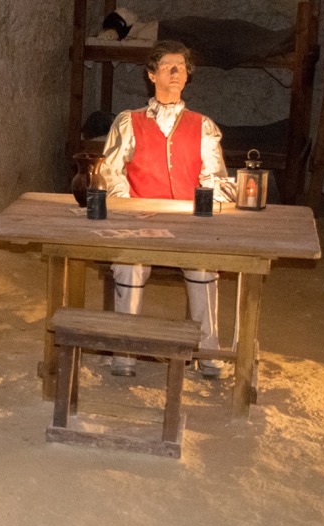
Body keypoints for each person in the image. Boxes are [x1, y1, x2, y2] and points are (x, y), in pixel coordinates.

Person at [97, 40, 232, 379]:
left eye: (182, 67)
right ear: (151, 74)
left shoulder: (202, 125)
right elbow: (112, 172)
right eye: (168, 67)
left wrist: (207, 204)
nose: (176, 73)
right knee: (129, 266)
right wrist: (131, 209)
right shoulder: (129, 121)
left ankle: (208, 351)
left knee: (203, 267)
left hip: (187, 223)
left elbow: (214, 176)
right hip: (140, 221)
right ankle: (124, 352)